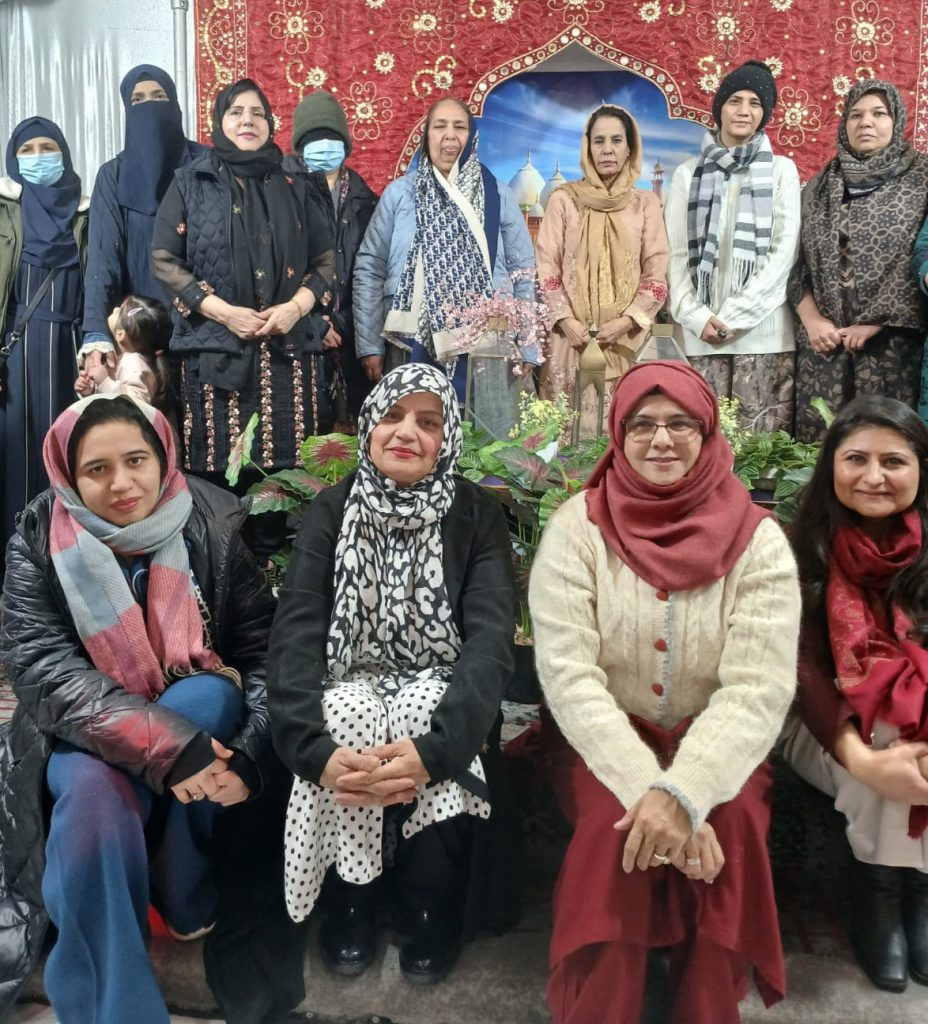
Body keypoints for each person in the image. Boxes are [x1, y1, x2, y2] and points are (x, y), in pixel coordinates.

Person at [0, 394, 290, 1024]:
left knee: (210, 693)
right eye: (96, 469)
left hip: (200, 730)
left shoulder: (215, 521)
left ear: (164, 458)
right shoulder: (37, 535)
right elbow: (44, 672)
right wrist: (167, 746)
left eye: (136, 460)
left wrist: (252, 753)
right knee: (94, 790)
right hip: (75, 738)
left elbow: (264, 654)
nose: (122, 483)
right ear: (67, 475)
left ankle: (179, 878)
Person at [529, 361, 800, 1023]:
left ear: (709, 434)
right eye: (642, 424)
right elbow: (570, 677)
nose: (661, 440)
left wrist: (686, 791)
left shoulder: (758, 540)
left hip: (721, 743)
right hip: (604, 743)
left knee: (729, 823)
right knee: (612, 831)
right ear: (618, 434)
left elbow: (758, 688)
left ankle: (703, 1010)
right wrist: (648, 791)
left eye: (681, 423)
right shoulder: (577, 529)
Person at [268, 363, 519, 984]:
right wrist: (309, 746)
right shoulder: (332, 510)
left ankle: (428, 902)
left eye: (428, 422)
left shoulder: (474, 513)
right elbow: (297, 627)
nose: (407, 432)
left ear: (448, 439)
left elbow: (489, 641)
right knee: (348, 712)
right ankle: (354, 898)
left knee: (424, 709)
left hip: (440, 683)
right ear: (371, 425)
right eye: (392, 415)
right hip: (347, 680)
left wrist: (439, 750)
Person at [783, 395, 928, 993]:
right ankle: (882, 893)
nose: (874, 477)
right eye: (856, 459)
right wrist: (864, 757)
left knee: (902, 729)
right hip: (823, 731)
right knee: (886, 732)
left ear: (921, 470)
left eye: (893, 461)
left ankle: (906, 893)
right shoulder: (797, 548)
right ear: (831, 466)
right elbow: (804, 673)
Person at [152, 77, 336, 482]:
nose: (247, 121)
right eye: (236, 112)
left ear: (271, 123)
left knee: (288, 486)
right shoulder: (191, 182)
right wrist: (224, 313)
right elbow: (164, 260)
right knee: (220, 482)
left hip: (288, 355)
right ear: (220, 121)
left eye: (257, 113)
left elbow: (325, 261)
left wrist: (295, 308)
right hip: (216, 354)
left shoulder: (298, 185)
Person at [353, 96, 537, 403]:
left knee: (483, 441)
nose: (450, 135)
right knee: (416, 430)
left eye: (459, 127)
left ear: (472, 135)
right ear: (427, 137)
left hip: (487, 346)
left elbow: (524, 274)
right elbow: (370, 267)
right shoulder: (400, 194)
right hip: (408, 345)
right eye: (439, 126)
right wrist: (370, 344)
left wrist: (528, 344)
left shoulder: (499, 197)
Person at [665, 61, 801, 433]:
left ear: (765, 114)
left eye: (755, 103)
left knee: (761, 462)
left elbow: (783, 255)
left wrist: (734, 319)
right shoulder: (687, 174)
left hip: (763, 336)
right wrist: (696, 317)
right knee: (697, 450)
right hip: (699, 337)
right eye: (735, 100)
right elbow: (676, 256)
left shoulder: (781, 171)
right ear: (719, 108)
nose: (744, 110)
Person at [789, 79, 928, 441]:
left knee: (886, 443)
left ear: (897, 120)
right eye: (856, 114)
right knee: (819, 452)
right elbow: (797, 262)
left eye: (878, 113)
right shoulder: (819, 186)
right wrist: (813, 320)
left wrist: (876, 323)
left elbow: (919, 257)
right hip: (824, 348)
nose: (865, 122)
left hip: (893, 349)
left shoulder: (922, 179)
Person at [535, 105, 669, 429]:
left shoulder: (645, 204)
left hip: (626, 343)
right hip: (571, 340)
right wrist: (566, 321)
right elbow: (546, 268)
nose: (607, 149)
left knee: (625, 435)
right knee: (564, 440)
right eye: (598, 141)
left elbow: (656, 272)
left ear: (629, 147)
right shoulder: (563, 199)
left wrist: (626, 322)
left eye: (616, 140)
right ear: (587, 147)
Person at [0, 117, 88, 577]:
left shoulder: (86, 211)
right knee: (16, 454)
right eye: (27, 149)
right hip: (16, 353)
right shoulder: (6, 210)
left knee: (68, 454)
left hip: (69, 352)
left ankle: (64, 572)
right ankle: (15, 573)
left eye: (47, 146)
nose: (38, 156)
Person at [81, 65, 205, 347]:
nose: (149, 105)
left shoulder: (205, 165)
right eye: (138, 100)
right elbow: (103, 260)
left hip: (205, 328)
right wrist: (97, 332)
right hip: (140, 333)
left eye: (159, 96)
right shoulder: (113, 175)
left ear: (174, 103)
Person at [284, 89, 378, 428]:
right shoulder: (278, 191)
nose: (324, 146)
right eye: (314, 139)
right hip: (294, 340)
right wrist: (312, 325)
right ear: (299, 145)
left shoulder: (366, 201)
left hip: (352, 342)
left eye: (331, 138)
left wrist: (341, 323)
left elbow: (374, 274)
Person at [75, 294, 171, 406]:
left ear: (120, 334)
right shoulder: (122, 358)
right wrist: (91, 390)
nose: (115, 308)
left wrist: (104, 382)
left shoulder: (134, 364)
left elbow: (138, 404)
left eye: (119, 311)